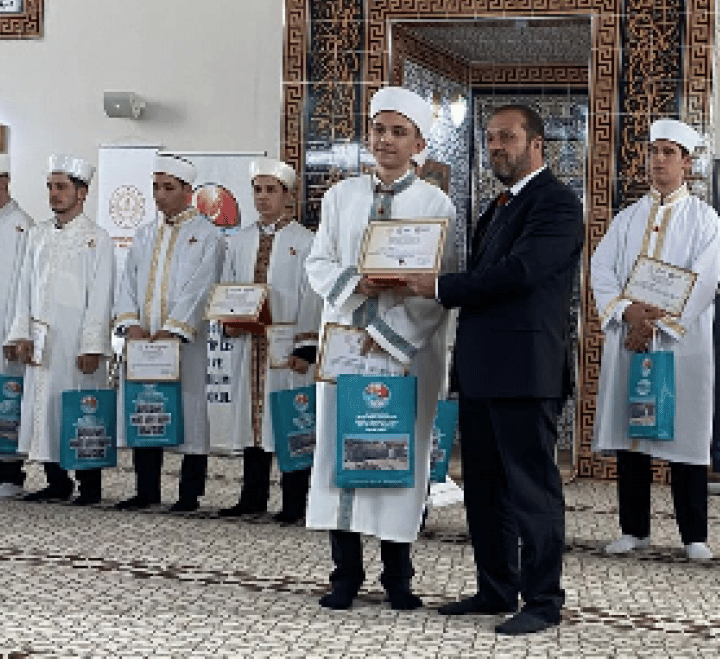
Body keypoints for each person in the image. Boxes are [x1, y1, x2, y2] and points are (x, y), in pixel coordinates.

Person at [410, 104, 584, 635]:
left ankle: (543, 600)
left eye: (507, 137)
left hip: (528, 370)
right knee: (483, 488)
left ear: (537, 144)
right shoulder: (498, 206)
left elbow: (522, 272)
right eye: (489, 138)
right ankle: (495, 588)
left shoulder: (555, 203)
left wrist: (440, 287)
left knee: (531, 488)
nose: (495, 147)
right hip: (484, 369)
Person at [304, 86, 454, 611]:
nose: (386, 140)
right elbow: (317, 263)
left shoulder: (436, 204)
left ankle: (398, 579)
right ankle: (344, 576)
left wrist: (390, 335)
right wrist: (354, 284)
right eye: (379, 129)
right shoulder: (339, 197)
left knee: (397, 458)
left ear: (418, 142)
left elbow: (441, 285)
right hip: (346, 345)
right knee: (340, 455)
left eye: (399, 132)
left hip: (405, 354)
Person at [589, 118, 720, 560]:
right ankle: (635, 529)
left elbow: (704, 281)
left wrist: (657, 324)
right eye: (654, 151)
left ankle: (694, 536)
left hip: (680, 345)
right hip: (631, 340)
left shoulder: (705, 219)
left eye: (669, 152)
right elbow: (601, 270)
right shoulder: (627, 218)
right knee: (635, 435)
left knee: (686, 436)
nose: (659, 160)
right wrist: (628, 314)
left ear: (686, 162)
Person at [113, 154, 225, 512]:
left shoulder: (207, 234)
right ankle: (146, 490)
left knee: (190, 412)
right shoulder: (145, 233)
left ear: (187, 191)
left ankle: (189, 494)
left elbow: (203, 286)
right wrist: (131, 323)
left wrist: (173, 329)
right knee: (147, 407)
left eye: (168, 188)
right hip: (144, 341)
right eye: (156, 188)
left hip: (183, 343)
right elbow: (127, 282)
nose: (159, 195)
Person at [210, 158, 320, 523]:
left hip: (286, 348)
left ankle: (294, 503)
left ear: (287, 195)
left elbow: (313, 296)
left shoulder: (305, 242)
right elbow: (227, 287)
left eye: (271, 190)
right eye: (258, 189)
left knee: (290, 422)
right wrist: (229, 320)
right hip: (250, 346)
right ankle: (252, 497)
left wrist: (306, 347)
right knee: (252, 424)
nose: (263, 197)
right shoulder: (238, 241)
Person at [5, 155, 113, 504]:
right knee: (43, 406)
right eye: (50, 187)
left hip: (77, 341)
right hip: (41, 340)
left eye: (61, 187)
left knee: (80, 407)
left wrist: (93, 344)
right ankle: (56, 480)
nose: (54, 194)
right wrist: (19, 334)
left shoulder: (97, 239)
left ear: (82, 193)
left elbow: (101, 295)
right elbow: (23, 287)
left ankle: (89, 485)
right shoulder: (35, 235)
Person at [0, 153, 32, 498]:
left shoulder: (23, 225)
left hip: (7, 334)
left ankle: (10, 474)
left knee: (7, 405)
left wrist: (17, 332)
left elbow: (26, 286)